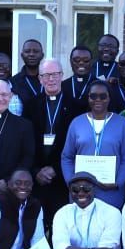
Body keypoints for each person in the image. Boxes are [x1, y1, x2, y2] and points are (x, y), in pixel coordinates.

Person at [60, 80, 125, 209]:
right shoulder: (77, 123)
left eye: (103, 96)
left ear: (109, 98)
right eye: (93, 96)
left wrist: (118, 183)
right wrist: (71, 182)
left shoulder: (122, 123)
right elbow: (67, 157)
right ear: (88, 98)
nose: (98, 100)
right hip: (80, 191)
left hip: (110, 192)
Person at [30, 57, 81, 227]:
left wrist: (55, 169)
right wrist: (36, 171)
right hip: (36, 180)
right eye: (46, 75)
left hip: (62, 179)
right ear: (40, 78)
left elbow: (77, 146)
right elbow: (26, 143)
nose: (51, 79)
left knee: (60, 226)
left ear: (62, 75)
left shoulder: (76, 106)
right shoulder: (31, 105)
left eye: (55, 74)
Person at [13, 38, 45, 102]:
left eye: (36, 51)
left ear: (42, 55)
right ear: (22, 55)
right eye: (27, 51)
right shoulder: (13, 82)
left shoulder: (50, 79)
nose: (31, 54)